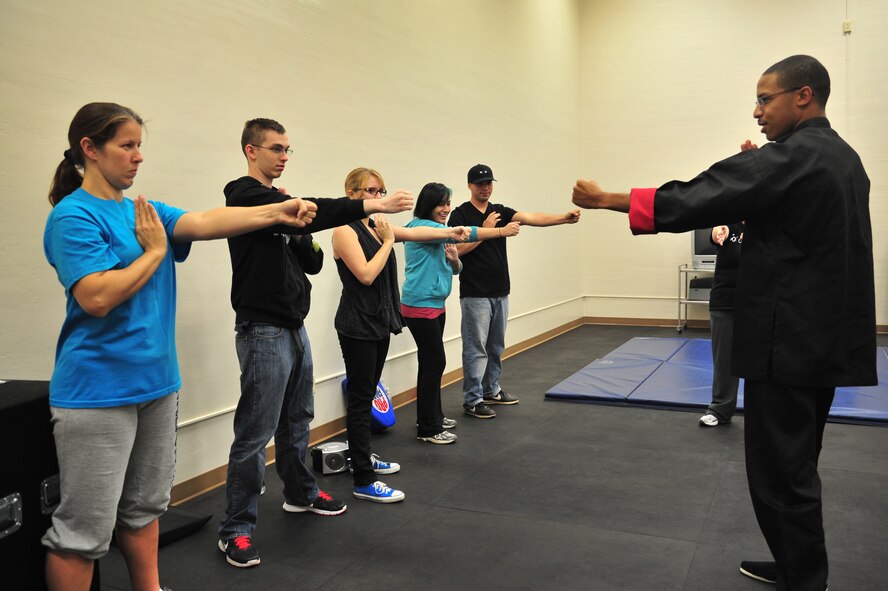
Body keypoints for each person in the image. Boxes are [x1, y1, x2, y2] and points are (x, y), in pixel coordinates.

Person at [572, 55, 875, 591]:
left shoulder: (791, 157)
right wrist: (760, 177)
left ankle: (806, 579)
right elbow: (795, 231)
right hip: (822, 342)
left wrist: (604, 200)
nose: (757, 112)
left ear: (803, 96)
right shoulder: (844, 160)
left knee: (780, 472)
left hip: (788, 346)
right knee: (797, 462)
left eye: (766, 99)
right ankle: (796, 565)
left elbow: (698, 195)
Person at [42, 103, 316, 591]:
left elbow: (207, 222)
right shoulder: (73, 216)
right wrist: (152, 251)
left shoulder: (144, 211)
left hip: (158, 385)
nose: (138, 157)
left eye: (139, 145)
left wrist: (279, 209)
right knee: (83, 531)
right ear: (90, 149)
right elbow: (97, 295)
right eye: (126, 146)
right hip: (98, 392)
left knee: (144, 507)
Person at [218, 119, 413, 568]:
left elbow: (313, 263)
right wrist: (359, 205)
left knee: (298, 418)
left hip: (293, 325)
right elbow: (315, 210)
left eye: (288, 149)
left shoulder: (285, 204)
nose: (284, 156)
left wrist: (300, 226)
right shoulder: (243, 194)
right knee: (255, 430)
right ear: (252, 151)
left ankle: (301, 492)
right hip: (261, 327)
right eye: (275, 149)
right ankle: (236, 528)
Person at [332, 168, 470, 502]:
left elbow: (420, 234)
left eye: (381, 191)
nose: (378, 197)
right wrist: (390, 241)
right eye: (371, 191)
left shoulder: (375, 226)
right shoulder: (343, 231)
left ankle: (361, 457)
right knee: (362, 399)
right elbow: (365, 275)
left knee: (365, 397)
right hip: (357, 325)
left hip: (379, 321)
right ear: (351, 194)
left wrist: (454, 231)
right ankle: (364, 479)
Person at [448, 164, 581, 419]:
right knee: (476, 347)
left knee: (496, 345)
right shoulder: (460, 215)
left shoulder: (501, 211)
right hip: (475, 293)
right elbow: (457, 251)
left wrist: (563, 218)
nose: (485, 187)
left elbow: (532, 218)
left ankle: (491, 390)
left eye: (489, 182)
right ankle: (473, 400)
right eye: (480, 184)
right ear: (469, 186)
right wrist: (488, 230)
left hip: (500, 290)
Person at [402, 182, 521, 444]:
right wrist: (499, 230)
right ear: (428, 205)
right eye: (441, 204)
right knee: (434, 363)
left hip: (434, 303)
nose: (446, 209)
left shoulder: (438, 231)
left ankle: (433, 416)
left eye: (448, 204)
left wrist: (455, 260)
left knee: (432, 363)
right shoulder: (422, 228)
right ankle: (428, 428)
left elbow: (454, 268)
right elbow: (466, 234)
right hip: (420, 304)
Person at [699, 222, 744, 427]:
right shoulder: (729, 226)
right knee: (724, 359)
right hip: (724, 302)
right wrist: (716, 231)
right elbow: (716, 231)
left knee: (761, 361)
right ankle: (720, 409)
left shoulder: (769, 225)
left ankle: (765, 413)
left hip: (758, 304)